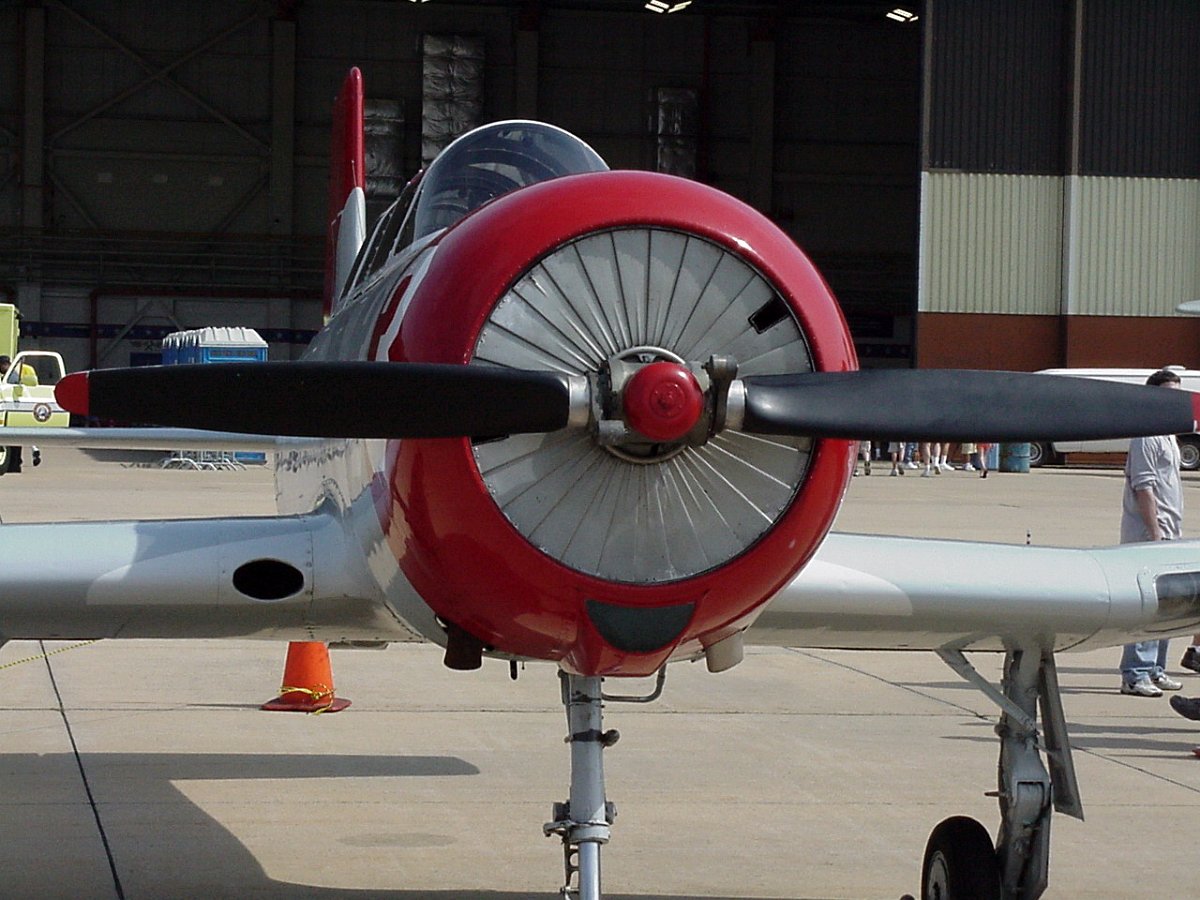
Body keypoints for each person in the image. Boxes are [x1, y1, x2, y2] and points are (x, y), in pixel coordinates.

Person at [1118, 368, 1186, 697]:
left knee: (1168, 605)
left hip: (1171, 528)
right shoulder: (1146, 435)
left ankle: (1156, 668)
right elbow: (1143, 486)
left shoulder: (1168, 434)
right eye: (1168, 394)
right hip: (1149, 533)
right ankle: (1135, 674)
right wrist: (1155, 532)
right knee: (1147, 605)